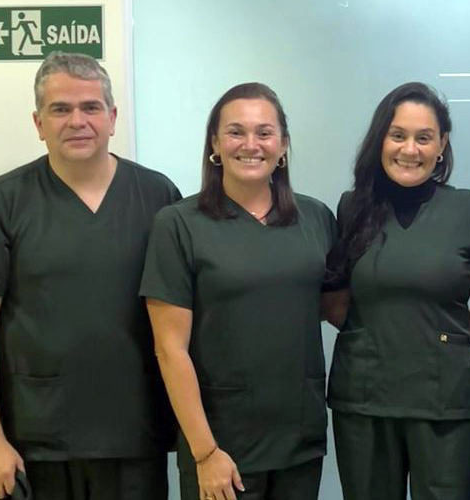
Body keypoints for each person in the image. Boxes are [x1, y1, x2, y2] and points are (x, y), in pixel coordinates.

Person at [0, 52, 180, 499]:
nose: (77, 121)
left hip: (135, 435)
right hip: (34, 441)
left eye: (91, 107)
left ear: (112, 118)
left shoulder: (159, 197)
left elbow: (182, 323)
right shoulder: (3, 201)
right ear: (38, 123)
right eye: (60, 109)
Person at [141, 82, 337, 500]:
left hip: (299, 437)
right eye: (235, 132)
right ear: (215, 143)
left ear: (283, 145)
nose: (251, 144)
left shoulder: (316, 218)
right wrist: (205, 452)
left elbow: (326, 307)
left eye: (264, 132)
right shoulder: (179, 224)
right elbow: (170, 349)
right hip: (221, 444)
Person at [324, 82, 470, 500]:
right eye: (398, 135)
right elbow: (334, 300)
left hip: (445, 402)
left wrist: (457, 334)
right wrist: (377, 333)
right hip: (364, 402)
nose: (410, 149)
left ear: (442, 144)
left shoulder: (468, 208)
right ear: (380, 139)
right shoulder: (351, 208)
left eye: (424, 137)